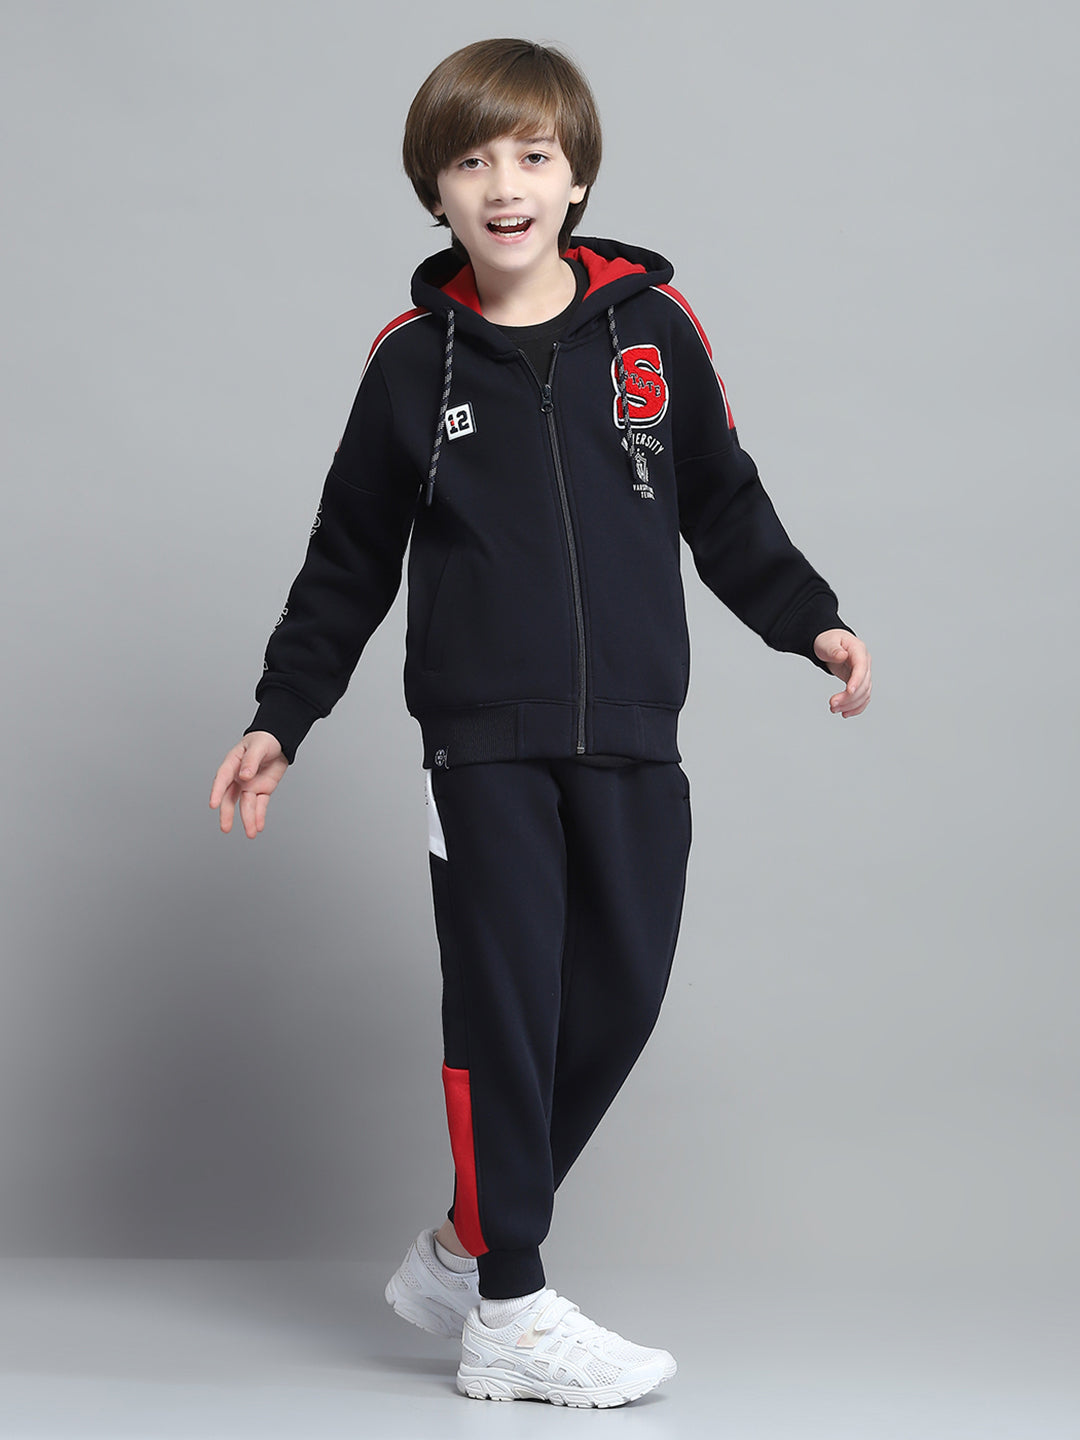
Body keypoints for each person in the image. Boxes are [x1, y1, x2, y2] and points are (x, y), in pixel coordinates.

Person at [209, 37, 872, 1408]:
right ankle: (509, 1305)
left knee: (619, 994)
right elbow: (347, 561)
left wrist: (809, 617)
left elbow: (724, 500)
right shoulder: (411, 364)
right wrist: (283, 716)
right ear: (435, 194)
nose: (503, 184)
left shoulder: (656, 332)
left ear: (576, 180)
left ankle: (467, 1238)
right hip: (484, 740)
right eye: (470, 162)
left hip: (633, 726)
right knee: (504, 1009)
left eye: (530, 156)